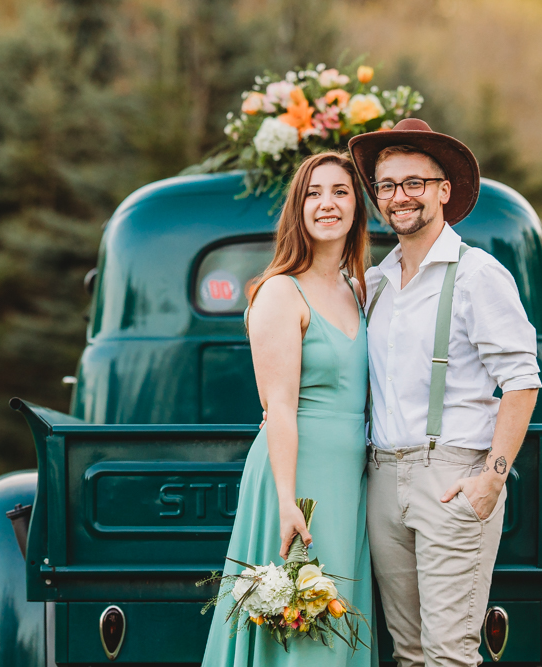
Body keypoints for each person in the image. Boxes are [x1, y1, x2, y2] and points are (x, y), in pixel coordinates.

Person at [348, 118, 542, 667]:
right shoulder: (378, 281)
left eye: (413, 183)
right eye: (386, 186)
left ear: (442, 191)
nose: (398, 197)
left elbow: (523, 381)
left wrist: (491, 479)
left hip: (452, 478)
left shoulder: (478, 274)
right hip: (383, 479)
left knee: (450, 654)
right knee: (407, 653)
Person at [201, 151, 376, 667]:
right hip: (296, 479)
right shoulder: (281, 292)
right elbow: (278, 406)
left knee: (338, 621)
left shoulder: (356, 289)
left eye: (341, 192)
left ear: (356, 208)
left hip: (349, 479)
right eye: (314, 194)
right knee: (297, 627)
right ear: (298, 210)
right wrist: (285, 500)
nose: (328, 204)